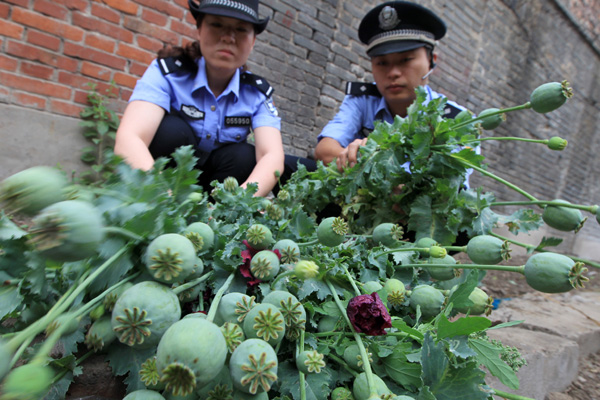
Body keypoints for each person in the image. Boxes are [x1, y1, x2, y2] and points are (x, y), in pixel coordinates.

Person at [114, 0, 285, 197]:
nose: (228, 38)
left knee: (244, 156)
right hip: (162, 184)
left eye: (241, 29)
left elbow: (271, 156)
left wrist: (238, 205)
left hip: (218, 190)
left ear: (253, 40)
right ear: (199, 29)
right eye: (217, 24)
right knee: (171, 131)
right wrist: (164, 201)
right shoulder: (169, 73)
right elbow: (130, 137)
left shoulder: (256, 93)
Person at [315, 0, 473, 183]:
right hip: (361, 195)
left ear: (431, 60)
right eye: (382, 63)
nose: (393, 73)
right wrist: (367, 161)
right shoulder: (363, 100)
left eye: (405, 60)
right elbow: (325, 150)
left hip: (412, 211)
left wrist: (372, 158)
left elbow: (445, 185)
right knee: (290, 166)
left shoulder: (457, 121)